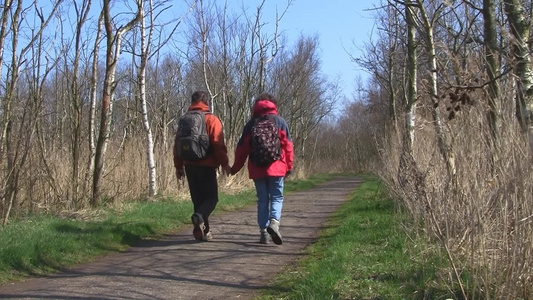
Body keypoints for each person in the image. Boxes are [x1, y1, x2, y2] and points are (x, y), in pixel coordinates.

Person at [231, 92, 294, 245]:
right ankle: (274, 222)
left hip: (257, 168)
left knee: (263, 199)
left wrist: (235, 168)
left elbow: (242, 149)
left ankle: (263, 233)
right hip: (277, 166)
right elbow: (288, 147)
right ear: (274, 104)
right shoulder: (279, 121)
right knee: (277, 197)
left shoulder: (251, 123)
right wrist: (289, 167)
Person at [174, 91, 231, 241]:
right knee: (211, 198)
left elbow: (177, 145)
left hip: (189, 165)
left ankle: (203, 232)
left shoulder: (184, 120)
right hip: (207, 165)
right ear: (206, 102)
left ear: (192, 102)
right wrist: (224, 164)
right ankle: (199, 219)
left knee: (198, 200)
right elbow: (218, 144)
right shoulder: (211, 119)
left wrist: (178, 166)